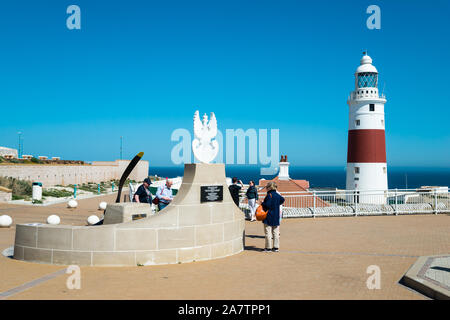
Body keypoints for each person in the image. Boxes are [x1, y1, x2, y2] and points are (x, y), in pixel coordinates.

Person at [261, 181, 285, 252]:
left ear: (269, 187)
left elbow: (267, 205)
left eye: (266, 187)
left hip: (268, 215)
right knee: (275, 232)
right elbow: (282, 200)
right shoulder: (277, 195)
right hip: (276, 215)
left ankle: (268, 247)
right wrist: (276, 204)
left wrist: (262, 203)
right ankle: (276, 247)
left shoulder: (269, 195)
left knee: (268, 232)